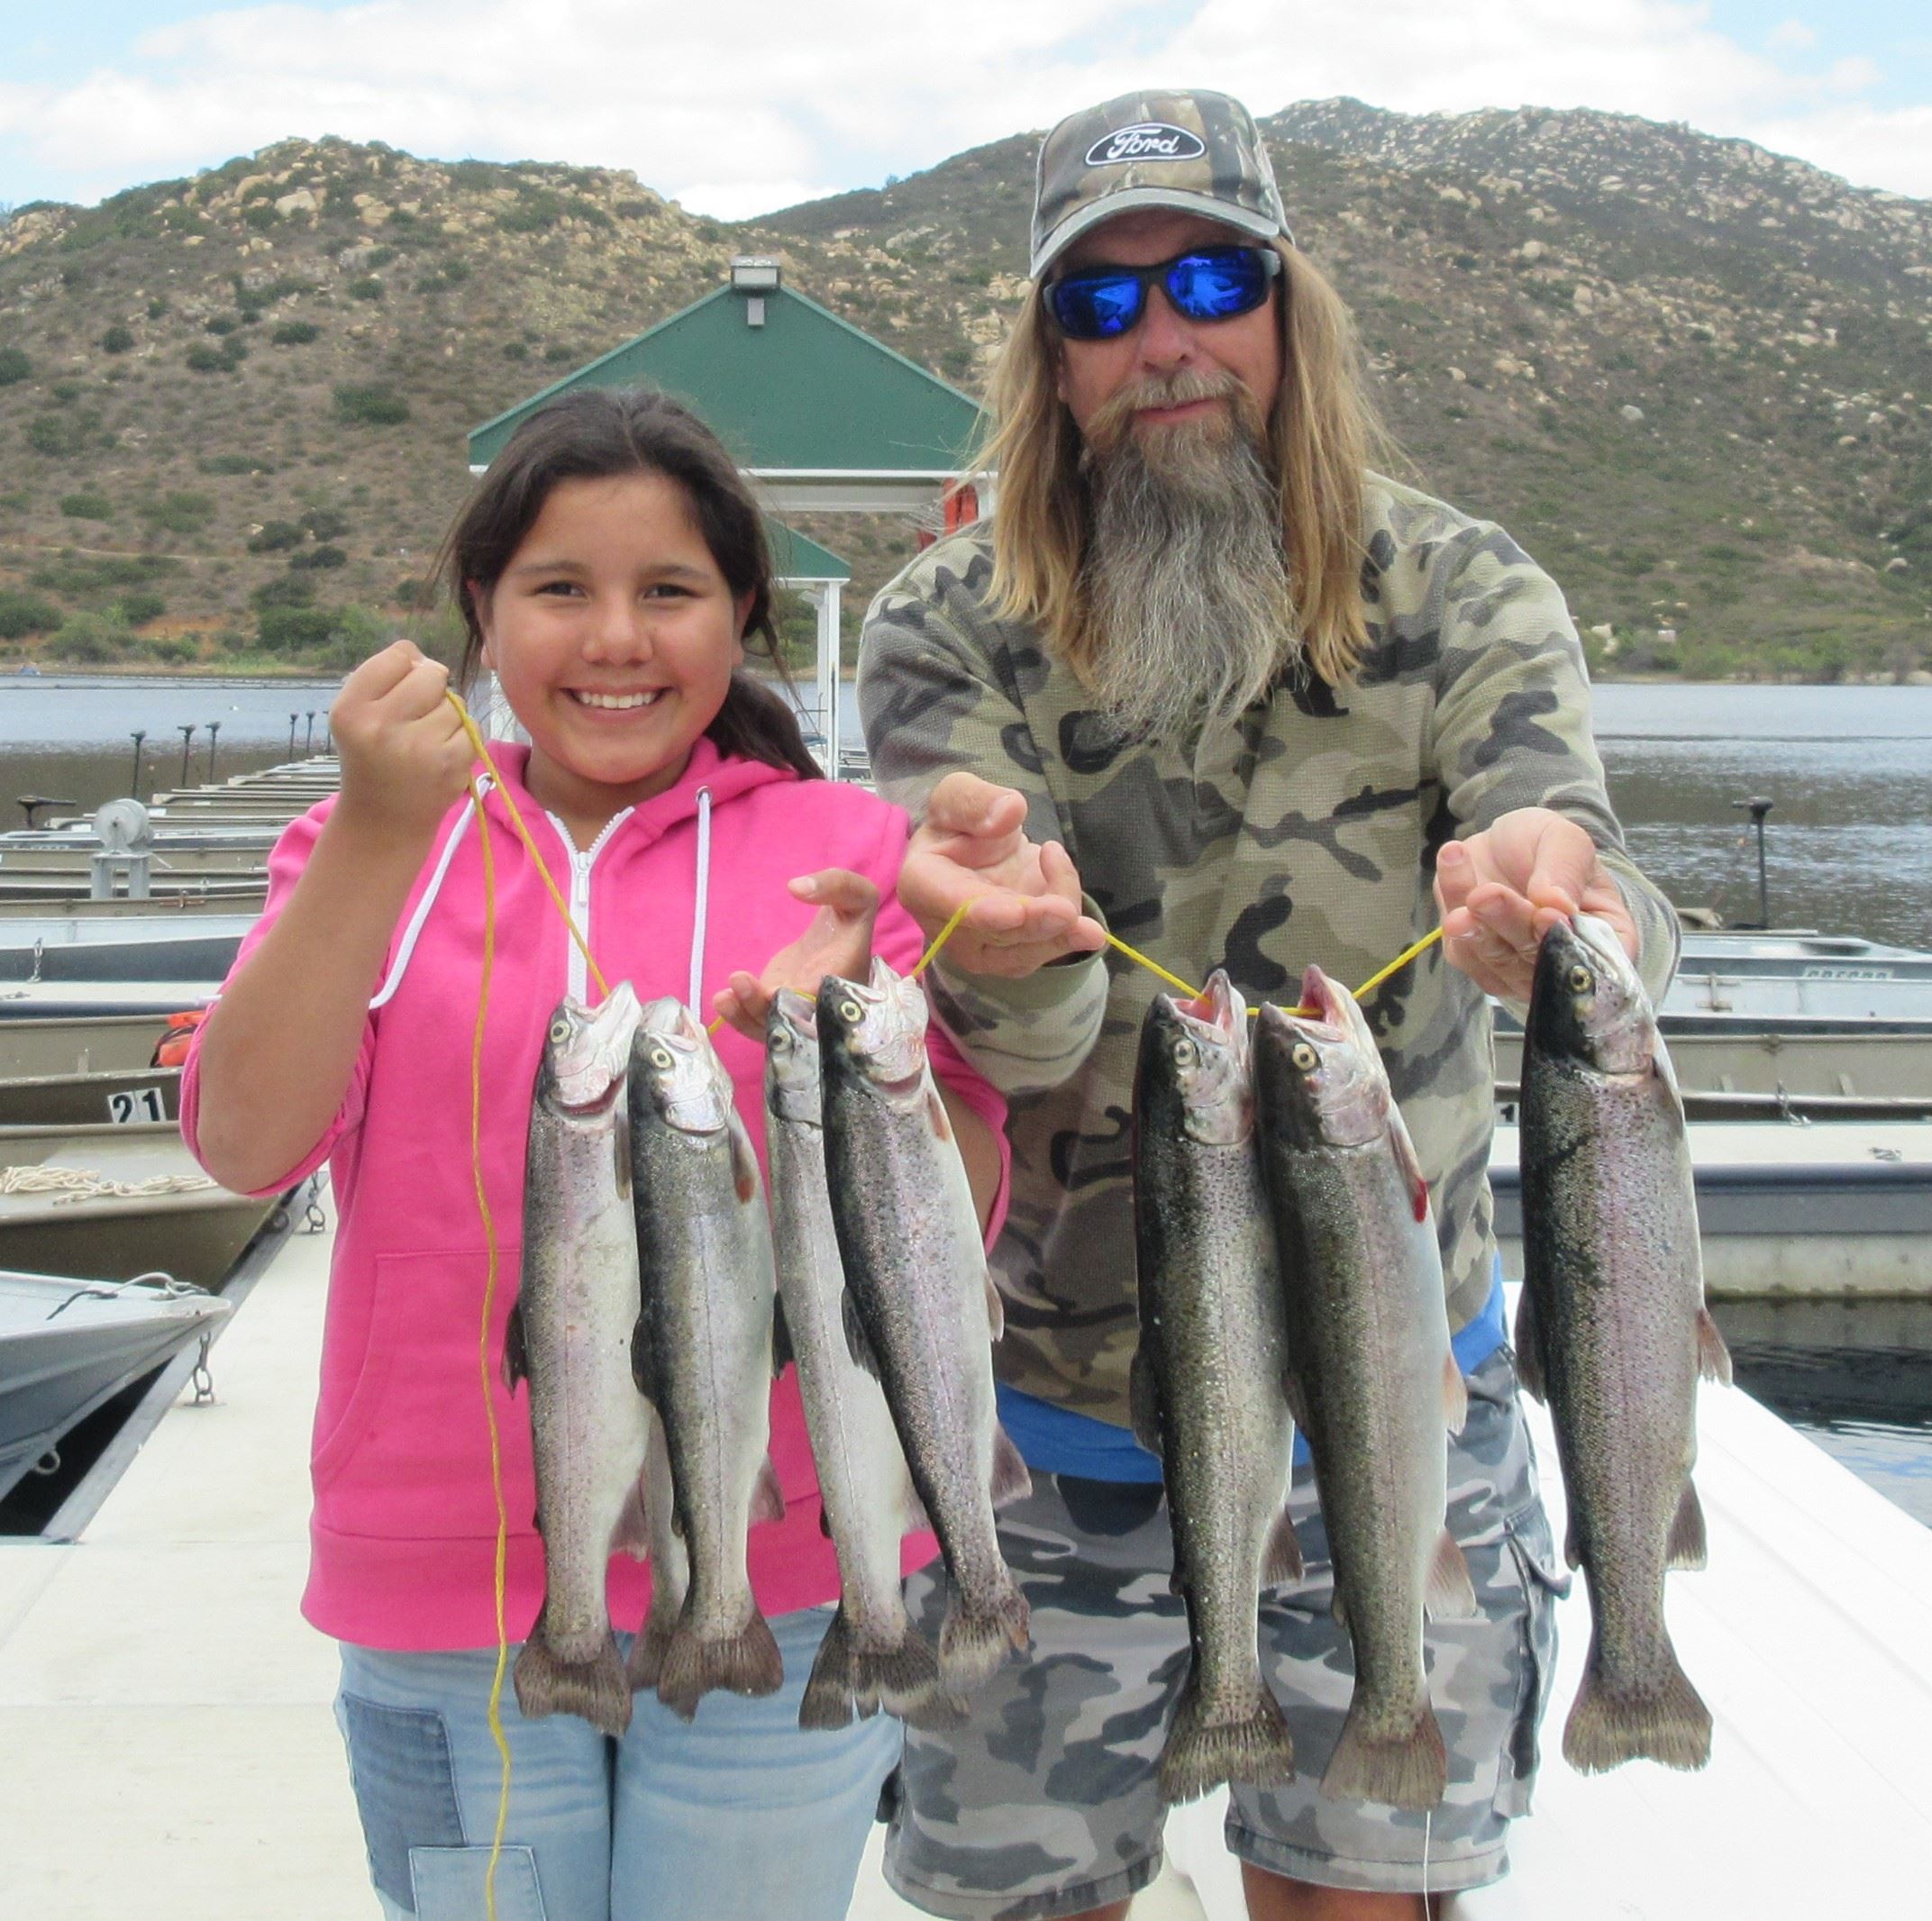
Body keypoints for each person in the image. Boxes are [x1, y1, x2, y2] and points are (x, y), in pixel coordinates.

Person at [859, 89, 1680, 1921]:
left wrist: (1561, 901)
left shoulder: (1469, 591)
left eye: (1211, 278)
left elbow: (1610, 899)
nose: (1163, 341)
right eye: (1102, 305)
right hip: (1035, 1435)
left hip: (1398, 1410)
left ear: (1289, 311)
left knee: (1359, 1898)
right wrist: (999, 958)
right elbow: (1014, 1042)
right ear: (1051, 361)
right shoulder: (940, 627)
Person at [183, 386, 1008, 1921]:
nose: (617, 639)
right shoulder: (368, 840)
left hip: (788, 1574)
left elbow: (956, 1212)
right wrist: (374, 830)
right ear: (482, 616)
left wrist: (891, 1033)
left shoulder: (844, 851)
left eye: (671, 592)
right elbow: (244, 1143)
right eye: (561, 589)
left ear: (745, 615)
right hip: (450, 1581)